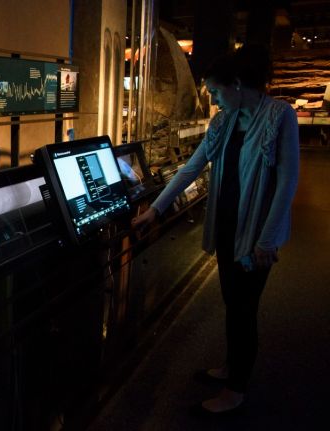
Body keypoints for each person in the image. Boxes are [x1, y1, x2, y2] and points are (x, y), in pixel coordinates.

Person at [131, 45, 300, 415]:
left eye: (216, 91)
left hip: (257, 235)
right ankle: (230, 366)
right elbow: (191, 168)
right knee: (231, 302)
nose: (214, 98)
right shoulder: (224, 121)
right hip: (226, 226)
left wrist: (267, 239)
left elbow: (287, 181)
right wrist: (155, 210)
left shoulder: (279, 116)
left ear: (237, 84)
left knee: (244, 310)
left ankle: (236, 390)